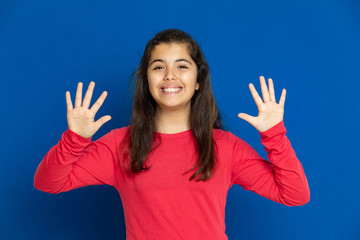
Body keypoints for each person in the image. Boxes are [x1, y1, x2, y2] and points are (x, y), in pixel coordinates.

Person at [34, 29, 310, 240]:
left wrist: (275, 135)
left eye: (182, 65)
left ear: (198, 80)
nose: (169, 75)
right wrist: (75, 140)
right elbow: (48, 183)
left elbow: (295, 195)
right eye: (158, 67)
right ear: (147, 80)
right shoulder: (119, 145)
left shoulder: (226, 147)